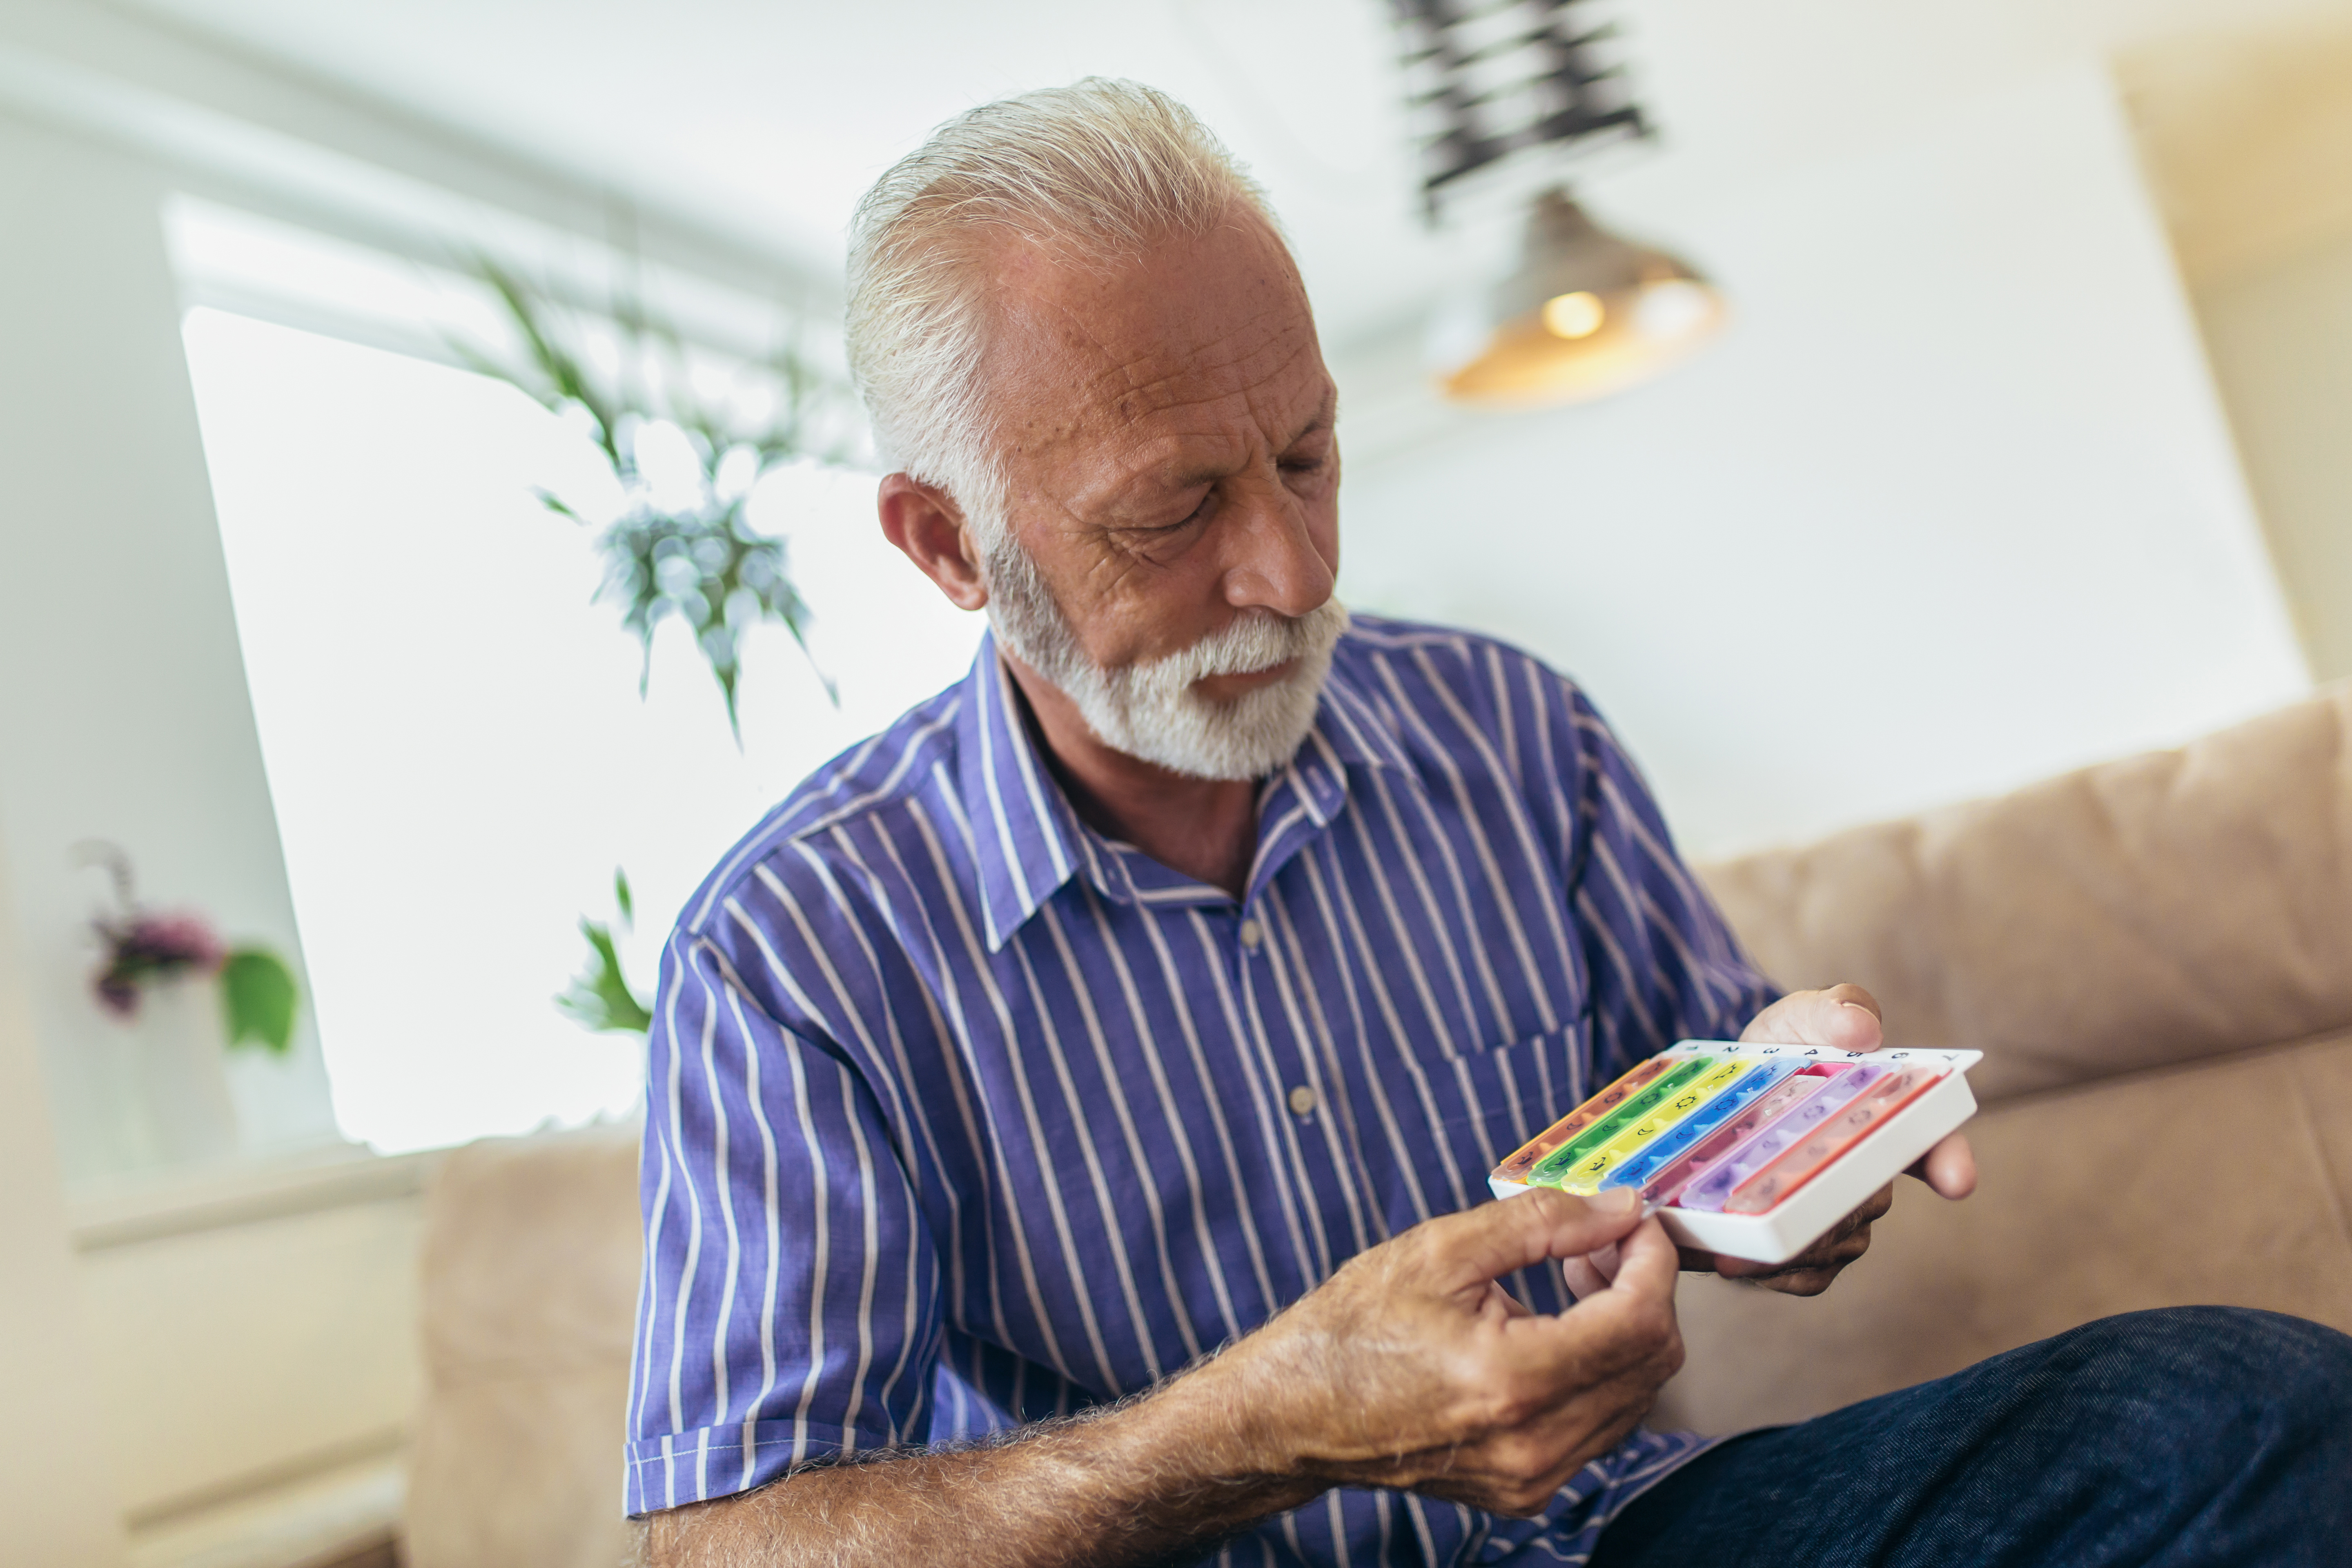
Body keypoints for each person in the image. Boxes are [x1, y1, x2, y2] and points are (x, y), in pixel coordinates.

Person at [627, 78, 2350, 1568]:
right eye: (1174, 512)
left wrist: (1797, 1132)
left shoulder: (1516, 732)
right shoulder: (794, 953)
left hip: (1612, 1538)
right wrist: (1248, 1434)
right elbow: (727, 1538)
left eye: (1307, 457)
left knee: (2239, 1410)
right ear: (947, 545)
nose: (1292, 576)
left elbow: (1708, 1117)